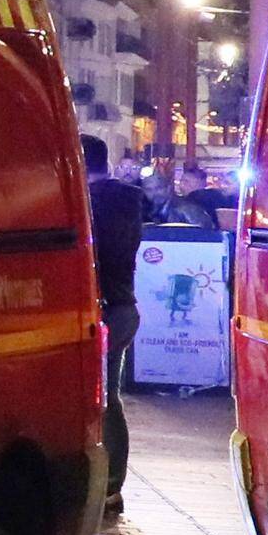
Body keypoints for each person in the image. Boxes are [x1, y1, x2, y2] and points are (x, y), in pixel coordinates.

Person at [86, 133, 149, 512]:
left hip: (104, 310)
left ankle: (106, 487)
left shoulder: (95, 204)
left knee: (103, 402)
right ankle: (111, 485)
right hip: (123, 305)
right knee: (110, 400)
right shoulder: (126, 200)